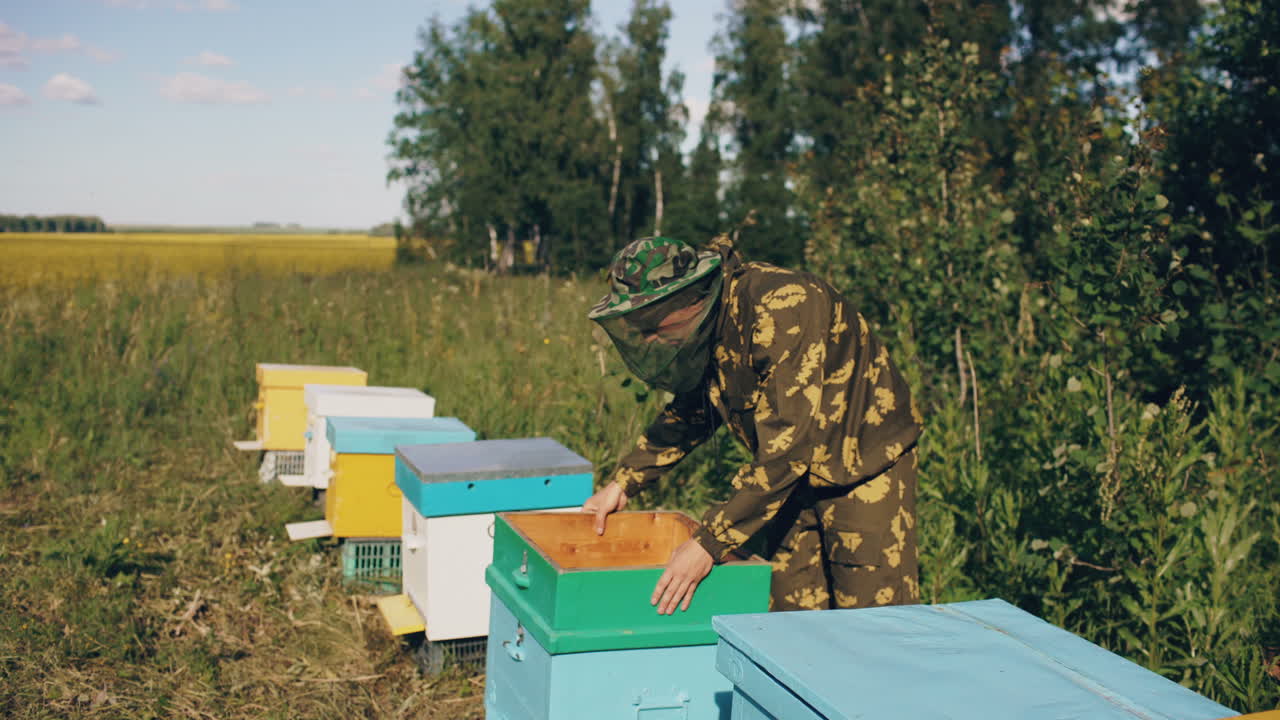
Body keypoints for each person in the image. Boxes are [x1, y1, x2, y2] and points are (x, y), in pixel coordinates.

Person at [582, 235, 923, 615]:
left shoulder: (782, 307)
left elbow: (790, 446)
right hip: (787, 484)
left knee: (873, 623)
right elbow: (696, 407)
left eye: (651, 323)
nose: (647, 336)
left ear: (688, 299)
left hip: (863, 465)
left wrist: (708, 543)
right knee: (792, 621)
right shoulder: (710, 323)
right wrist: (625, 480)